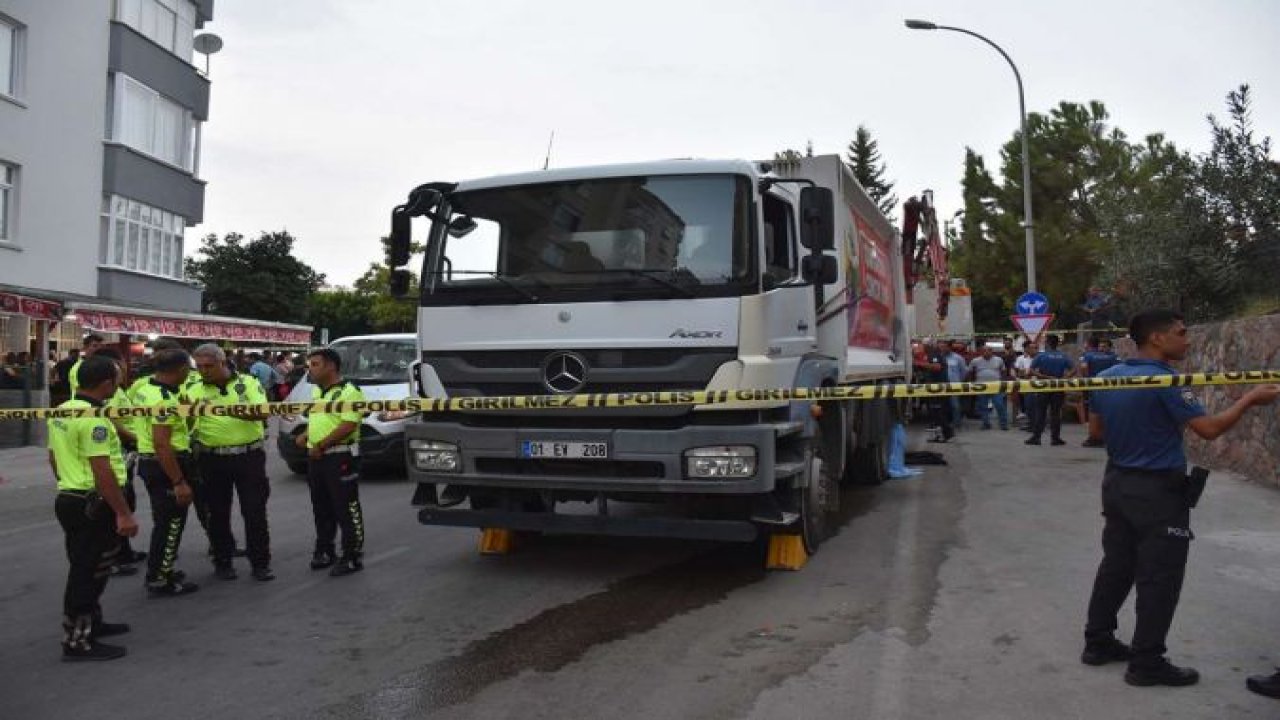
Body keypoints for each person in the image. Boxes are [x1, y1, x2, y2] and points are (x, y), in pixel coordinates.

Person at [1082, 309, 1280, 687]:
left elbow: (1096, 427)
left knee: (1117, 566)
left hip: (1117, 482)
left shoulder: (1106, 377)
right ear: (1157, 338)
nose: (1187, 340)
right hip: (1158, 490)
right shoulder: (1168, 381)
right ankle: (1147, 662)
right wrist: (1250, 399)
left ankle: (1098, 642)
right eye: (1181, 333)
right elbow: (1207, 430)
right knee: (1160, 576)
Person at [47, 355, 139, 661]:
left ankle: (92, 624)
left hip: (70, 498)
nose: (119, 384)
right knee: (88, 573)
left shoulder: (62, 411)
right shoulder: (95, 421)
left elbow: (53, 457)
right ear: (106, 384)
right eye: (116, 379)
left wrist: (68, 482)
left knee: (86, 566)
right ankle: (77, 642)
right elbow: (102, 470)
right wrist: (123, 512)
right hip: (92, 503)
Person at [187, 344, 275, 582]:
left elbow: (262, 412)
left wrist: (224, 410)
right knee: (216, 513)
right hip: (210, 457)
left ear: (222, 362)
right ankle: (222, 561)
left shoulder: (248, 382)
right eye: (200, 366)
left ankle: (260, 563)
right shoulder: (191, 387)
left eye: (209, 366)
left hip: (248, 456)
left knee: (254, 511)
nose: (204, 371)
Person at [134, 349, 201, 596]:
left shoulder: (145, 389)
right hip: (165, 464)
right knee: (171, 523)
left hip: (152, 463)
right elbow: (162, 443)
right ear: (182, 369)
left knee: (164, 521)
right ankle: (160, 577)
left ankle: (163, 566)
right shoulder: (163, 399)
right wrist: (179, 481)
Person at [298, 348, 368, 576]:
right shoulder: (319, 392)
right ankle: (325, 550)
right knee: (321, 507)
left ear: (331, 366)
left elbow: (348, 424)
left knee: (346, 507)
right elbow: (322, 420)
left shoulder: (350, 392)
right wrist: (306, 436)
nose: (310, 369)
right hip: (317, 458)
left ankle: (352, 556)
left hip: (340, 456)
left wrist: (322, 445)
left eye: (315, 364)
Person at [96, 348, 146, 576]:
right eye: (121, 365)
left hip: (127, 449)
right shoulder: (110, 393)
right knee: (119, 501)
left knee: (128, 499)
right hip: (121, 449)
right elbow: (113, 423)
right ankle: (113, 556)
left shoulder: (119, 390)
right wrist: (135, 440)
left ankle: (124, 551)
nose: (125, 368)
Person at [1025, 335, 1074, 446]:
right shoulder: (1063, 356)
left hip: (1044, 386)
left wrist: (1044, 377)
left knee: (1040, 413)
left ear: (1047, 343)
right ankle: (1055, 439)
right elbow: (1074, 369)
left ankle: (1036, 438)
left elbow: (1031, 371)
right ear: (1057, 343)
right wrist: (1064, 378)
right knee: (1055, 413)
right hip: (1058, 387)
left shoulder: (1041, 356)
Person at [1080, 338, 1121, 448]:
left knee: (1094, 411)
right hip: (1110, 388)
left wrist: (1087, 379)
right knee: (1108, 411)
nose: (1101, 348)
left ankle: (1094, 438)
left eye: (1104, 346)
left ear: (1109, 347)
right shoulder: (1115, 357)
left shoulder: (1089, 355)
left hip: (1095, 386)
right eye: (1100, 346)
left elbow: (1083, 368)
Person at [968, 345, 1009, 430]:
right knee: (983, 406)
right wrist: (972, 383)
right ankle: (985, 423)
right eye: (984, 351)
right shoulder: (975, 361)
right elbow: (970, 372)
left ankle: (1003, 423)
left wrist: (1003, 383)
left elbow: (1003, 371)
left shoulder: (999, 360)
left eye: (988, 351)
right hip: (981, 386)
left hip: (996, 386)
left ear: (992, 352)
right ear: (981, 352)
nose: (986, 353)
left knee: (999, 404)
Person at [922, 342, 954, 443]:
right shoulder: (936, 354)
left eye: (923, 346)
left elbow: (937, 367)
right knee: (935, 413)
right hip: (935, 388)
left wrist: (920, 364)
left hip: (938, 388)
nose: (922, 348)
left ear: (928, 346)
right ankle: (938, 435)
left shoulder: (934, 354)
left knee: (939, 412)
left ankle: (947, 433)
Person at [1014, 341, 1039, 426]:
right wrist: (1026, 373)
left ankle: (1037, 424)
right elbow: (1021, 372)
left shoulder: (1041, 358)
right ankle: (1031, 423)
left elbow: (1037, 372)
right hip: (1027, 385)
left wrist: (1030, 373)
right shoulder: (1024, 359)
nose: (1030, 350)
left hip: (1039, 385)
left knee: (1037, 406)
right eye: (1029, 348)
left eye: (1033, 348)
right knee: (1028, 405)